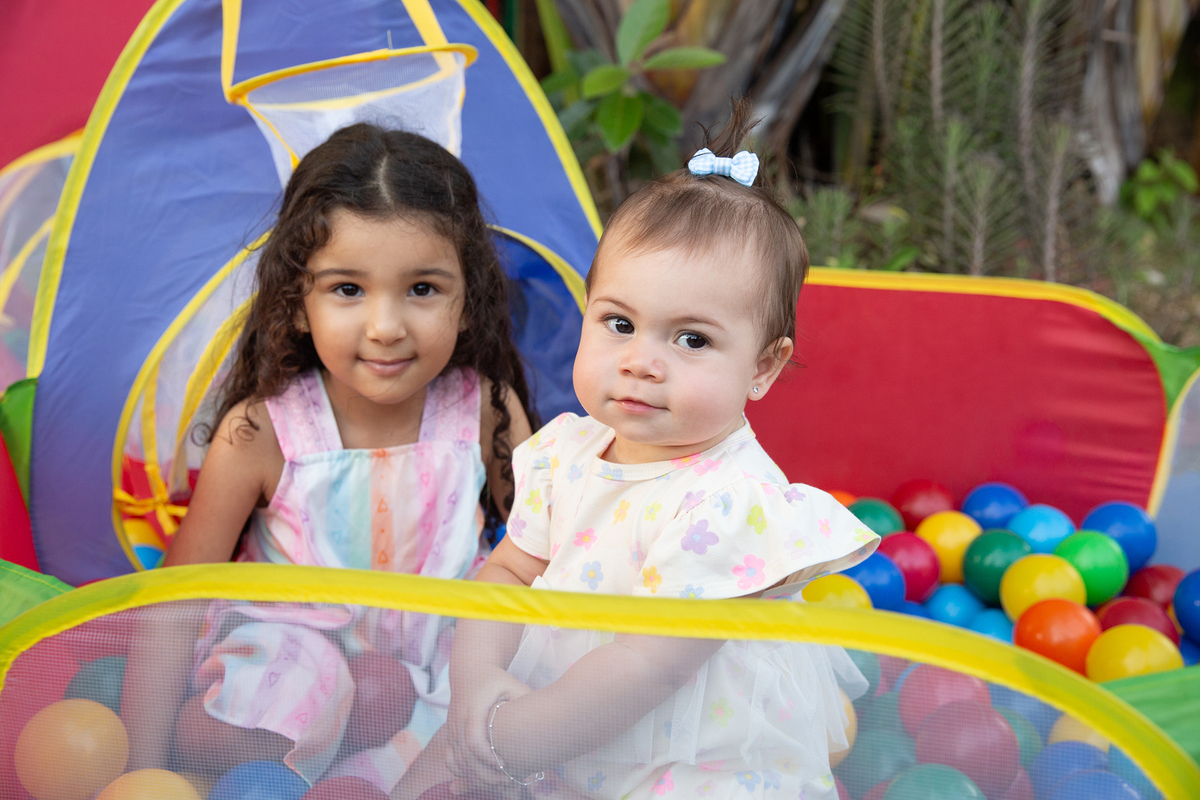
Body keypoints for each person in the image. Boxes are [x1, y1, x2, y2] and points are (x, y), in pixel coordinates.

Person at [417, 101, 881, 800]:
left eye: (691, 339)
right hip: (556, 708)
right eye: (619, 323)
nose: (640, 361)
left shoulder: (730, 504)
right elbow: (509, 572)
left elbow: (649, 667)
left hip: (683, 755)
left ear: (762, 366)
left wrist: (523, 737)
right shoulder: (565, 452)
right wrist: (477, 680)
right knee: (436, 764)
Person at [121, 123, 535, 791]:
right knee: (303, 686)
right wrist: (139, 768)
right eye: (348, 289)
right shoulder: (263, 431)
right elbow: (174, 605)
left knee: (462, 723)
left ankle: (358, 769)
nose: (385, 326)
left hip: (429, 673)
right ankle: (222, 748)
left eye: (422, 289)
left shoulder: (485, 408)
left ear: (468, 302)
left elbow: (546, 564)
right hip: (286, 664)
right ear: (297, 303)